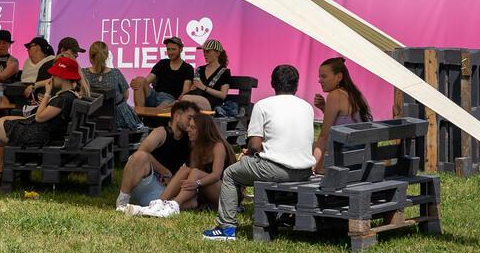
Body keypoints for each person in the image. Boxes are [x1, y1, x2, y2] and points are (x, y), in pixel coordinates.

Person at [207, 63, 315, 241]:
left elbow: (255, 145)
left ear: (272, 84)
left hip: (277, 169)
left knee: (230, 174)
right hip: (304, 171)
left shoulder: (263, 105)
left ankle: (225, 228)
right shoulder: (307, 107)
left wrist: (249, 152)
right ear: (296, 85)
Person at [0, 55, 86, 188]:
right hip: (33, 131)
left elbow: (39, 117)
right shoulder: (68, 95)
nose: (52, 77)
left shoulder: (64, 98)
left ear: (63, 77)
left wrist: (47, 94)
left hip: (31, 135)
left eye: (55, 75)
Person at [121, 109, 232, 217]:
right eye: (189, 126)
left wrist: (197, 183)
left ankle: (174, 204)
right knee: (186, 172)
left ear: (203, 130)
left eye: (193, 127)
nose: (188, 129)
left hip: (226, 194)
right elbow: (189, 174)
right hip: (203, 191)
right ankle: (157, 206)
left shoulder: (217, 146)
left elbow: (216, 175)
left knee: (195, 172)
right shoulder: (195, 147)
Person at [115, 100, 197, 209]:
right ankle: (122, 201)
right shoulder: (161, 132)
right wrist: (165, 172)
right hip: (150, 181)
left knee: (193, 202)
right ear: (177, 116)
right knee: (140, 157)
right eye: (189, 118)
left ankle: (147, 209)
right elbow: (139, 154)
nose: (192, 122)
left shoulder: (190, 139)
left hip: (167, 189)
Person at [312, 56, 374, 172]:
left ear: (339, 77)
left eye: (324, 76)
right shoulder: (355, 94)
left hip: (345, 162)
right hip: (361, 158)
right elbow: (343, 123)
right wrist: (324, 108)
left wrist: (316, 168)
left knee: (310, 146)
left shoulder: (335, 95)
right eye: (319, 76)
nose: (320, 80)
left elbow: (324, 136)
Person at [83, 41, 140, 129]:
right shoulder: (115, 73)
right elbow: (126, 96)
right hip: (118, 121)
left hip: (90, 121)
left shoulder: (83, 74)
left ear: (90, 56)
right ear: (106, 56)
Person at [135, 35, 195, 110]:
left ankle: (148, 115)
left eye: (173, 49)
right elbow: (147, 80)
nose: (170, 52)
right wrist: (137, 83)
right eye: (168, 49)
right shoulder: (162, 63)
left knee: (159, 110)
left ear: (181, 49)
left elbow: (185, 92)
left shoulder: (188, 68)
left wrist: (177, 102)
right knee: (139, 80)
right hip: (154, 95)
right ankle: (138, 117)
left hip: (169, 99)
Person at [185, 38, 235, 115]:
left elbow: (223, 95)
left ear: (217, 53)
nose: (205, 54)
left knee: (185, 100)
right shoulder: (200, 69)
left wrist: (204, 87)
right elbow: (193, 88)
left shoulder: (224, 72)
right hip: (196, 98)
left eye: (208, 51)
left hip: (212, 102)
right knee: (181, 103)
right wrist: (193, 87)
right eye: (204, 51)